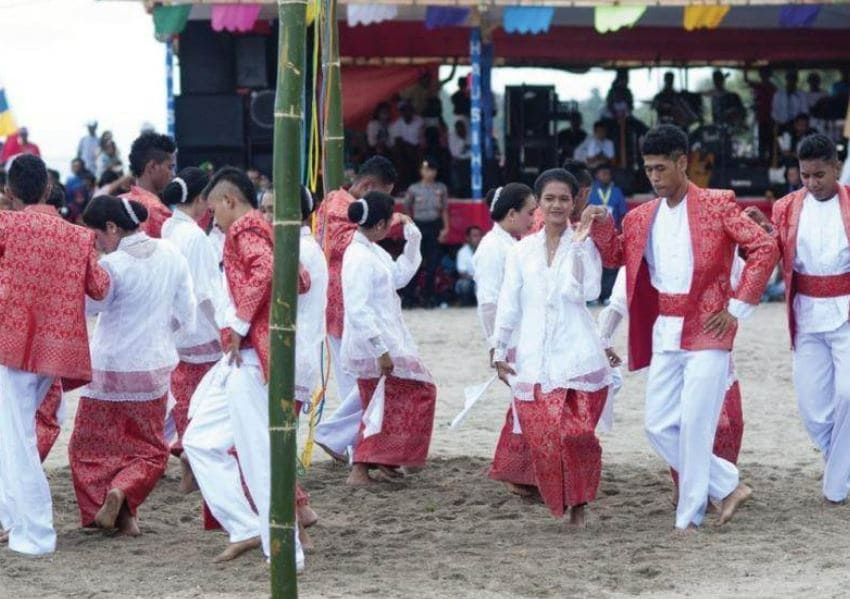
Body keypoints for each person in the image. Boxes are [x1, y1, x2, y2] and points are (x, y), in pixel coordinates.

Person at [596, 124, 779, 530]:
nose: (655, 177)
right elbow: (615, 259)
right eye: (648, 169)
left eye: (662, 168)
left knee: (696, 423)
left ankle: (689, 518)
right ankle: (727, 485)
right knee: (657, 425)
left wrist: (737, 307)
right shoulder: (641, 216)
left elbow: (765, 247)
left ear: (683, 163)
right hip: (665, 329)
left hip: (710, 328)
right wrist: (600, 224)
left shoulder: (718, 203)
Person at [182, 167, 306, 568]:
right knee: (199, 440)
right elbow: (298, 277)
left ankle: (287, 551)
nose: (210, 217)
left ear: (228, 202)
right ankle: (245, 526)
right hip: (247, 356)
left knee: (257, 457)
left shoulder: (242, 229)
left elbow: (270, 271)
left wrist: (238, 323)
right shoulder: (264, 227)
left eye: (212, 208)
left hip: (251, 355)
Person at [0, 155, 110, 555]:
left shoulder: (7, 224)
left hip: (12, 345)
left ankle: (35, 533)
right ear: (48, 189)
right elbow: (100, 288)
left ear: (10, 192)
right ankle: (13, 519)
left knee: (17, 439)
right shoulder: (78, 236)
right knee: (13, 435)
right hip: (58, 347)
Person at [68, 195, 195, 537]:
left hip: (109, 368)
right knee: (151, 449)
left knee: (89, 448)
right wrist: (162, 336)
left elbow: (89, 308)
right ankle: (124, 503)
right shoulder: (171, 253)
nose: (95, 243)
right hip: (152, 366)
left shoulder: (112, 266)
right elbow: (187, 313)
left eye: (95, 235)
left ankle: (106, 503)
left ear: (111, 227)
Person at [492, 169, 610, 525]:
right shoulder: (522, 250)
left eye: (563, 198)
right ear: (539, 203)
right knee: (545, 437)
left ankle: (580, 502)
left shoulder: (584, 244)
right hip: (533, 359)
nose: (557, 205)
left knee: (576, 434)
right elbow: (508, 302)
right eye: (549, 199)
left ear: (574, 202)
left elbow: (588, 292)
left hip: (577, 355)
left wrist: (577, 245)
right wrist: (498, 350)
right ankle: (563, 498)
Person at [747, 134, 850, 505]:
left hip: (846, 313)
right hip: (805, 314)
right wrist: (765, 229)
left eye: (819, 174)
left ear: (836, 168)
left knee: (849, 394)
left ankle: (836, 485)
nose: (811, 182)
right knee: (812, 409)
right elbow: (777, 250)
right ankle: (841, 463)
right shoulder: (787, 206)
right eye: (805, 175)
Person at [341, 191, 436, 486]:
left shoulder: (371, 250)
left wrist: (413, 239)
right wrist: (380, 349)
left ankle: (384, 460)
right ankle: (364, 465)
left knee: (386, 403)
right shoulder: (358, 256)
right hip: (375, 342)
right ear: (381, 224)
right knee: (413, 394)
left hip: (385, 337)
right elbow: (357, 309)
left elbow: (399, 277)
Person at [313, 156, 399, 462]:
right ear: (366, 186)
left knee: (360, 381)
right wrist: (383, 220)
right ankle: (340, 440)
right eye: (380, 198)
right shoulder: (339, 205)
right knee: (363, 382)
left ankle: (352, 447)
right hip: (345, 307)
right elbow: (343, 241)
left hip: (346, 305)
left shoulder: (340, 205)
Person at [260, 185, 327, 548]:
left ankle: (297, 522)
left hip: (287, 360)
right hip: (293, 358)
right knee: (272, 442)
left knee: (270, 444)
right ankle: (299, 510)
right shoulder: (302, 246)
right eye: (265, 209)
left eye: (275, 208)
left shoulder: (296, 249)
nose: (268, 217)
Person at [160, 167, 225, 490]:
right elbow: (207, 294)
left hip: (177, 330)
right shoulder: (196, 237)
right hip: (199, 330)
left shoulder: (169, 228)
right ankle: (192, 457)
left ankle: (186, 451)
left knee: (186, 399)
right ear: (200, 199)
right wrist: (226, 330)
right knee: (205, 398)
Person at [472, 183, 538, 495]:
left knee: (526, 404)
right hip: (509, 339)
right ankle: (516, 473)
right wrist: (495, 347)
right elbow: (488, 304)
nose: (533, 218)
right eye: (530, 212)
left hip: (521, 336)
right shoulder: (491, 248)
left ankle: (521, 471)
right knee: (526, 405)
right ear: (512, 214)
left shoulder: (509, 244)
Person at [404, 159, 449, 308]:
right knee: (415, 262)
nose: (429, 173)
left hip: (434, 226)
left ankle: (429, 297)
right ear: (421, 171)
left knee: (432, 264)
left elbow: (444, 210)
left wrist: (446, 228)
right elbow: (407, 209)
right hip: (419, 226)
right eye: (426, 169)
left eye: (432, 170)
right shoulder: (413, 189)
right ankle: (409, 297)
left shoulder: (441, 188)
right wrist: (409, 227)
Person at [121, 132, 176, 238]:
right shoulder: (159, 211)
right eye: (170, 167)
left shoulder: (119, 202)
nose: (173, 174)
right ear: (153, 167)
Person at [588, 163, 627, 303]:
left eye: (608, 174)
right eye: (602, 173)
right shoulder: (591, 191)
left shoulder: (617, 191)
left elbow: (622, 213)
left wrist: (621, 231)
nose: (605, 176)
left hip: (612, 233)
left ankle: (608, 295)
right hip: (593, 234)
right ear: (596, 175)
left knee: (611, 265)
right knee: (593, 264)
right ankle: (593, 295)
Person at [745, 66, 777, 163]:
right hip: (761, 119)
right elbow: (747, 80)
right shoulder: (758, 86)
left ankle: (771, 163)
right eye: (762, 73)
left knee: (771, 143)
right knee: (761, 143)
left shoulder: (772, 88)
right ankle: (762, 163)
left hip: (771, 119)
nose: (764, 75)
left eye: (765, 73)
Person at [454, 225, 481, 306]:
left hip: (484, 280)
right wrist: (476, 278)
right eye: (475, 236)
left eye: (479, 235)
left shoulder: (486, 250)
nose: (478, 238)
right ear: (468, 238)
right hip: (470, 280)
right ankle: (466, 304)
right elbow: (462, 273)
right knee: (463, 284)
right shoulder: (462, 252)